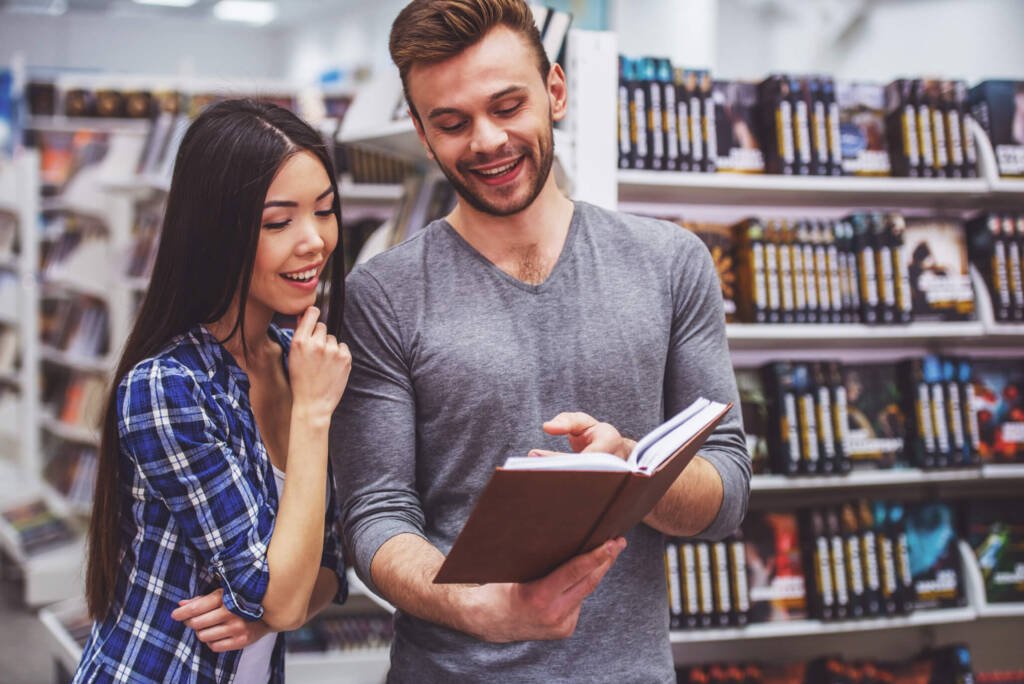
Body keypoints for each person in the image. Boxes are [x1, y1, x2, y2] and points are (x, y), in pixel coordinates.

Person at [331, 1, 751, 681]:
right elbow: (375, 517)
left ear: (555, 91)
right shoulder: (383, 294)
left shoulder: (670, 263)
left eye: (507, 106)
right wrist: (479, 606)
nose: (487, 141)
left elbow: (728, 491)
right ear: (420, 129)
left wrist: (635, 480)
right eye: (452, 123)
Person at [74, 99, 351, 684]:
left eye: (324, 211)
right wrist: (314, 416)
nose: (314, 241)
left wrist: (268, 610)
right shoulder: (168, 389)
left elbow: (323, 573)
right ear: (216, 230)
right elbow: (282, 597)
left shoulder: (298, 361)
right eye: (278, 222)